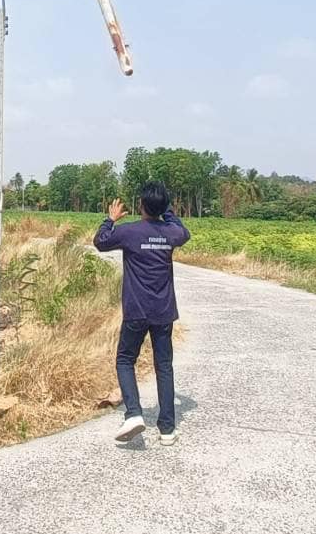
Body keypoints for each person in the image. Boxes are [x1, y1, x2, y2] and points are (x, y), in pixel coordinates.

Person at [94, 180, 190, 445]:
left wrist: (110, 219)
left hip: (136, 310)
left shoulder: (130, 232)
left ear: (140, 205)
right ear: (162, 206)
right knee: (164, 367)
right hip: (163, 312)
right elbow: (184, 232)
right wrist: (166, 210)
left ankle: (134, 413)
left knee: (125, 360)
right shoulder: (172, 233)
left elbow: (100, 242)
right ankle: (167, 430)